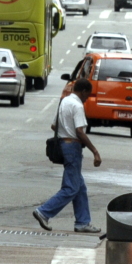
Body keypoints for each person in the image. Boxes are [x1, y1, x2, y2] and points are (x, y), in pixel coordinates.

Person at [34, 77, 102, 233]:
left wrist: (65, 133)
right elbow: (80, 131)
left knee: (80, 187)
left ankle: (82, 222)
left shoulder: (64, 102)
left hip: (64, 145)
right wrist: (95, 151)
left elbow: (53, 125)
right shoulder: (77, 105)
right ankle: (44, 211)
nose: (87, 99)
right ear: (83, 91)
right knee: (71, 188)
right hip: (73, 147)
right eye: (87, 95)